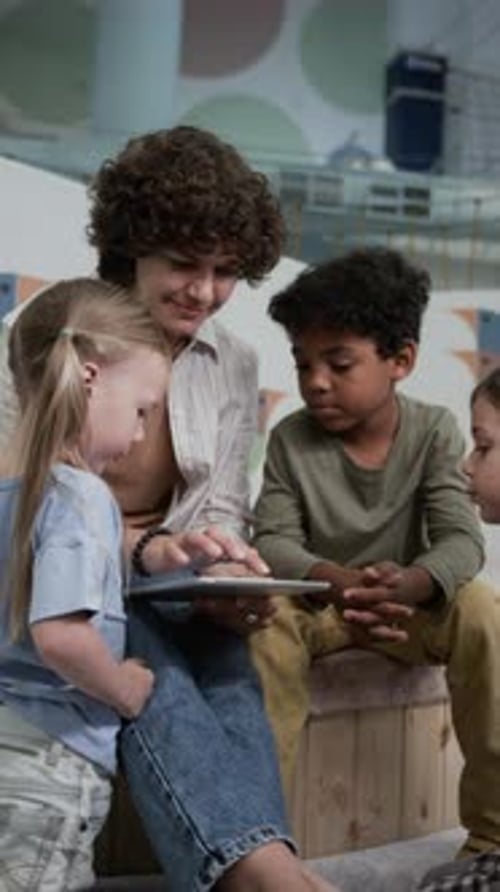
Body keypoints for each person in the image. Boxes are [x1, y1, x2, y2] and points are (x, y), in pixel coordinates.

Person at [0, 128, 338, 892]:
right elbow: (15, 509)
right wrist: (142, 553)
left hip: (164, 577)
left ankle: (263, 857)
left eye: (226, 271)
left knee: (227, 650)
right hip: (57, 580)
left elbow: (219, 506)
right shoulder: (46, 339)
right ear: (133, 247)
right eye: (185, 263)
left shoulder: (233, 362)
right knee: (142, 642)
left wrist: (223, 565)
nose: (205, 291)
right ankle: (254, 870)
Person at [251, 246, 500, 858]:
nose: (315, 381)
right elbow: (272, 539)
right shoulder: (289, 439)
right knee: (265, 623)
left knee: (481, 610)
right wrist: (332, 579)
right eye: (303, 363)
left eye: (339, 363)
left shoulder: (434, 430)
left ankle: (492, 837)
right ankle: (259, 843)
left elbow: (461, 539)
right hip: (321, 604)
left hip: (403, 609)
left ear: (400, 361)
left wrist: (412, 583)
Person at [0, 278, 167, 890]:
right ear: (91, 377)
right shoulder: (81, 497)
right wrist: (124, 687)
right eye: (142, 410)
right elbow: (61, 638)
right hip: (49, 769)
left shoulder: (9, 493)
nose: (141, 434)